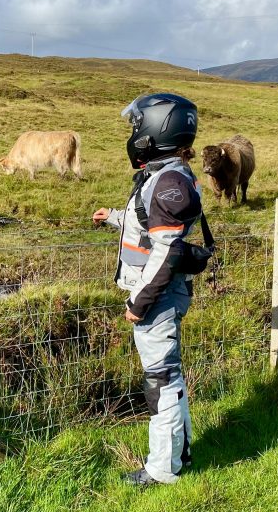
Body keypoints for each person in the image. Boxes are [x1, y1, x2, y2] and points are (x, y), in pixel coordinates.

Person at [92, 93, 205, 486]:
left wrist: (139, 302)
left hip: (158, 296)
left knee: (161, 382)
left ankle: (162, 470)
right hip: (162, 293)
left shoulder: (168, 181)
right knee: (168, 377)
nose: (134, 133)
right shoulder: (166, 175)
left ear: (156, 130)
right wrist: (114, 217)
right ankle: (179, 456)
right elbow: (149, 224)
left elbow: (166, 249)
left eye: (137, 125)